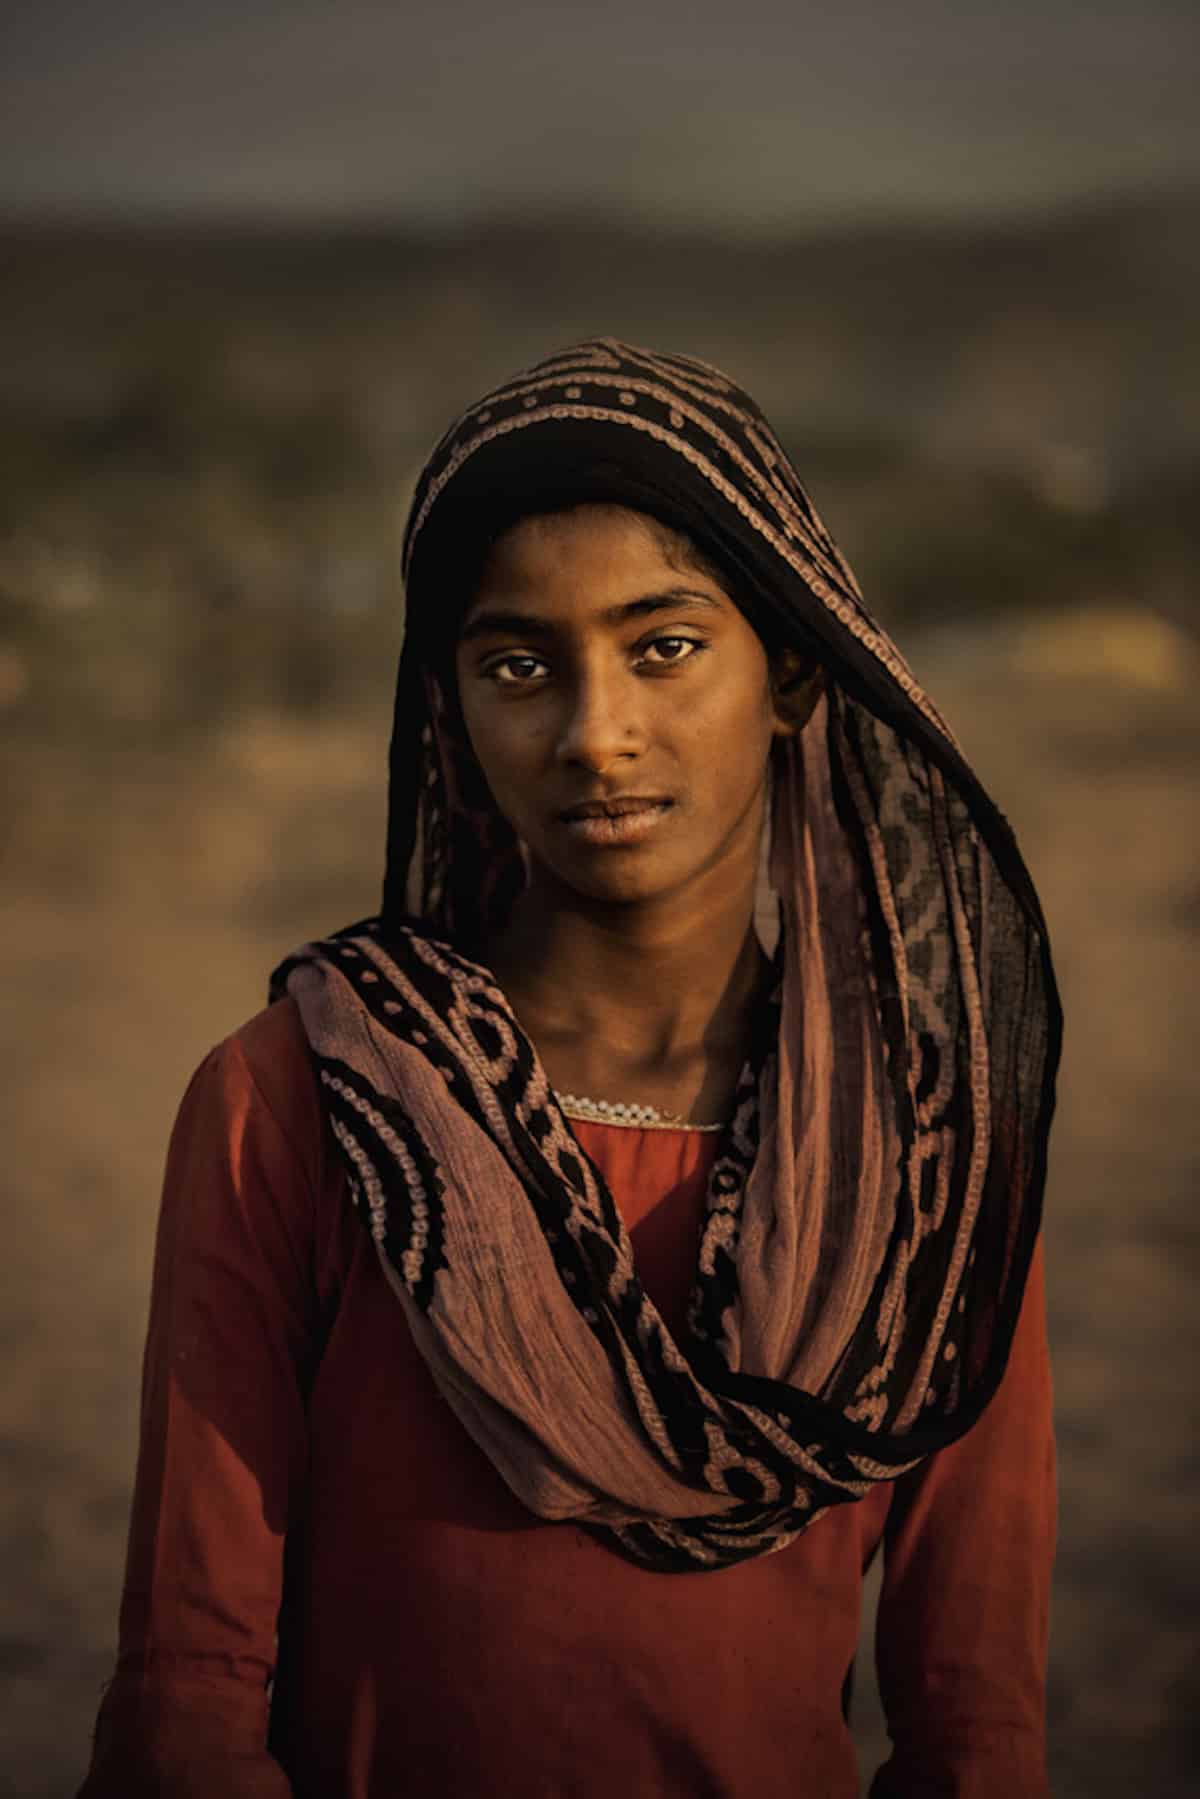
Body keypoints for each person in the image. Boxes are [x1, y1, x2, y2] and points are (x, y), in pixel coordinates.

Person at [79, 338, 1061, 1798]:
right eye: (520, 664)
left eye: (664, 647)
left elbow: (972, 1719)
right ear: (453, 712)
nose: (596, 736)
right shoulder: (304, 1097)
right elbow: (191, 1691)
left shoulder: (919, 1149)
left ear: (793, 672)